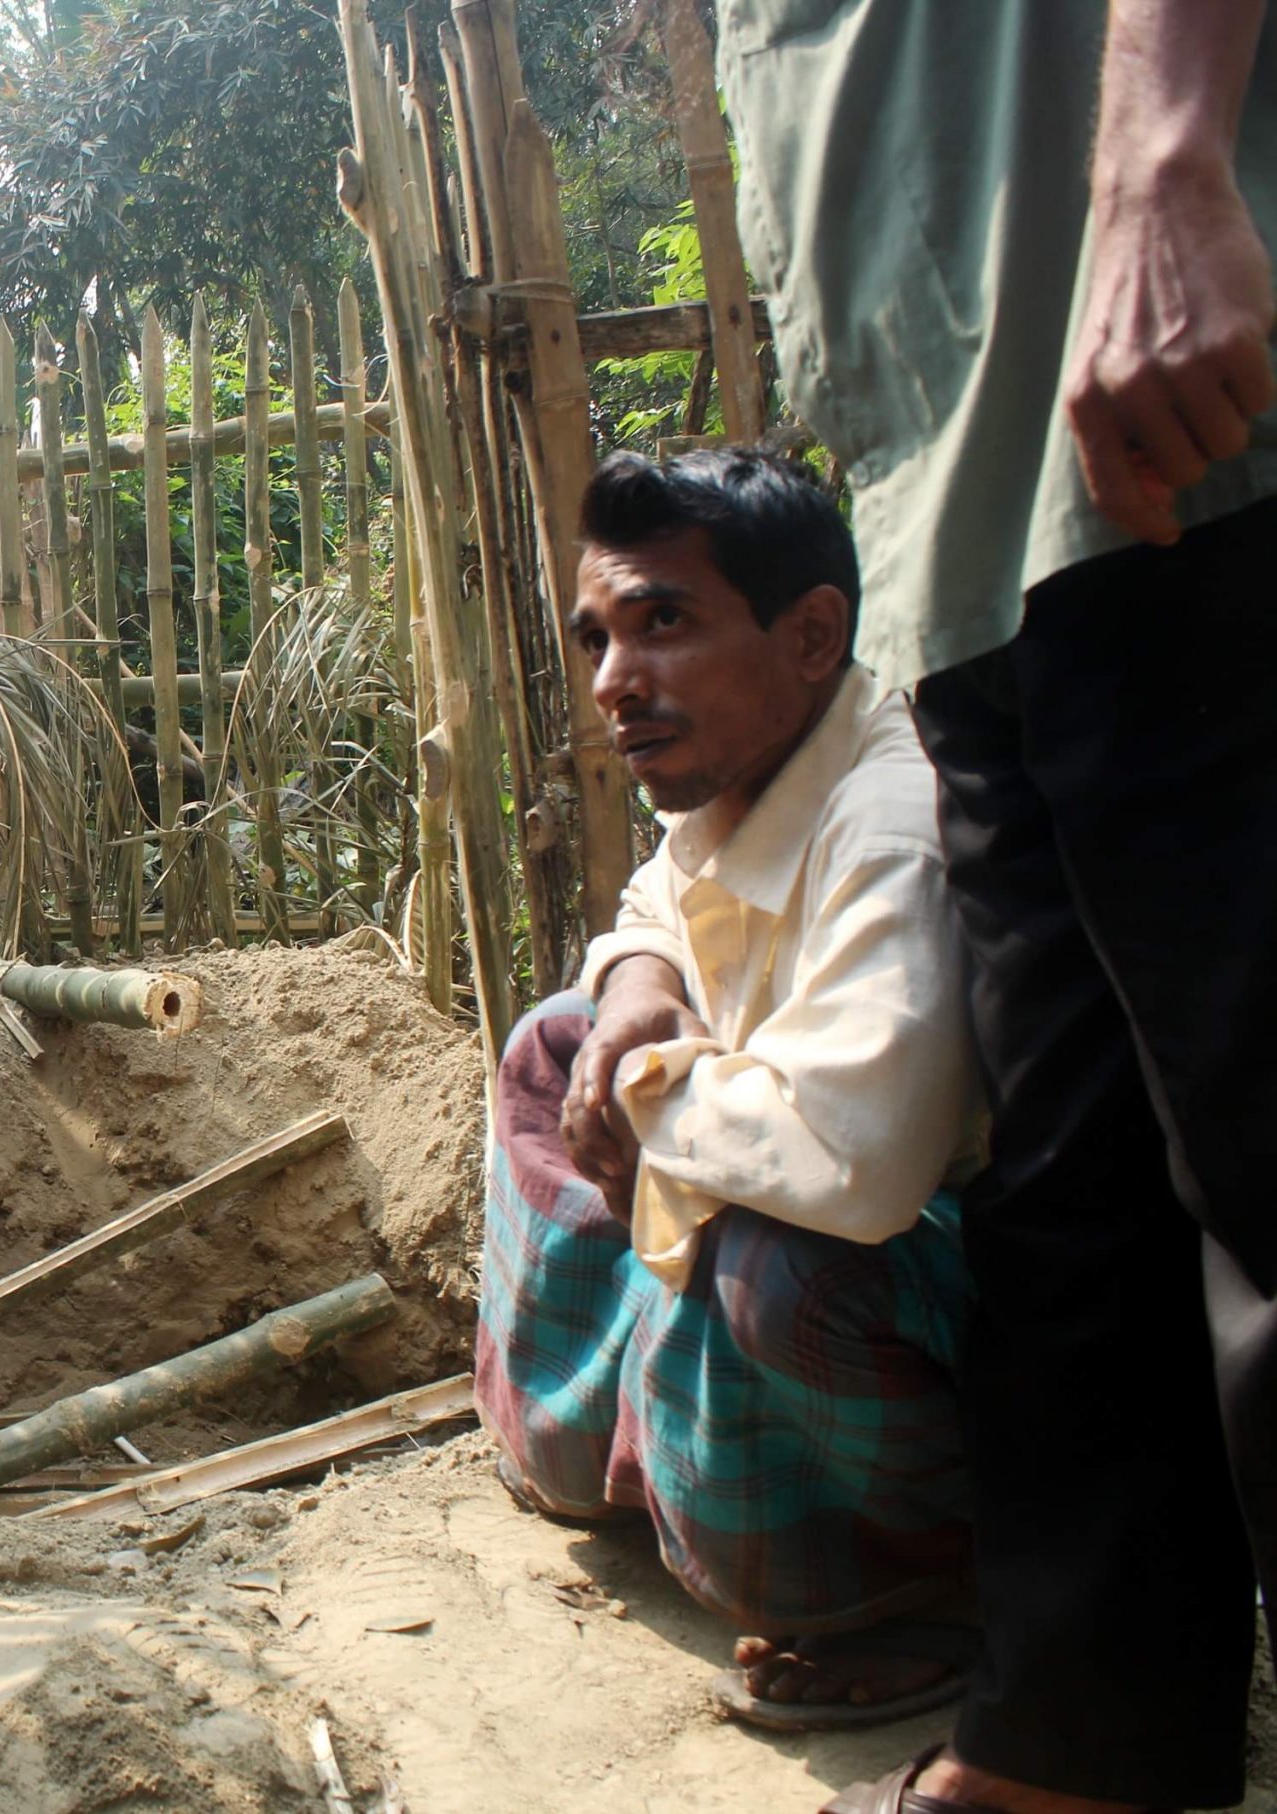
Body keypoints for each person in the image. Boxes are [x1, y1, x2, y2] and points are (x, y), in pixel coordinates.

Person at [713, 4, 1277, 1811]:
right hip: (971, 498)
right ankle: (1082, 1732)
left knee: (1271, 1135)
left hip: (1173, 406)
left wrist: (1167, 157)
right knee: (1077, 1158)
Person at [474, 448, 980, 1733]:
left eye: (663, 624)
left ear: (811, 635)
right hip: (781, 1155)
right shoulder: (751, 758)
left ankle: (920, 1593)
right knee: (553, 1043)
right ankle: (630, 1458)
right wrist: (640, 986)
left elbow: (849, 1160)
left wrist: (643, 1091)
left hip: (968, 1283)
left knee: (771, 1253)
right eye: (597, 636)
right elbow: (659, 893)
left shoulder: (892, 813)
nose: (611, 681)